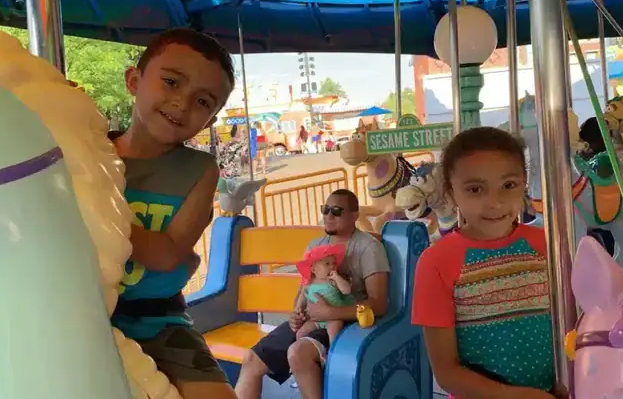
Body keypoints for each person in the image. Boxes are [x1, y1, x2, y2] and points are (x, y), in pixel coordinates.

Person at [107, 28, 236, 399]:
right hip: (86, 313)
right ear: (134, 81)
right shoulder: (90, 150)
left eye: (203, 101)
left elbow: (168, 254)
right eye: (171, 82)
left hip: (156, 319)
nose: (182, 103)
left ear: (210, 120)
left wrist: (94, 216)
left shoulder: (199, 169)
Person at [411, 127, 564, 399]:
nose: (495, 202)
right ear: (451, 193)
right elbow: (446, 372)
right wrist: (515, 396)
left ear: (524, 183)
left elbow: (571, 325)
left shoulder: (546, 245)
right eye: (475, 189)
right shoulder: (436, 262)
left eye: (508, 185)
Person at [235, 189, 391, 399]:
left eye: (336, 211)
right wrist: (296, 314)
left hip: (348, 322)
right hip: (313, 319)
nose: (328, 216)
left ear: (355, 215)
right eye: (325, 210)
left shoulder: (368, 247)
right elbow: (303, 290)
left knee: (298, 354)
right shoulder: (316, 247)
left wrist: (331, 313)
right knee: (251, 360)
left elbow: (378, 304)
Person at [295, 244, 354, 342]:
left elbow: (347, 291)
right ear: (314, 270)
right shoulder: (310, 283)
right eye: (327, 264)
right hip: (317, 318)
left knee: (333, 332)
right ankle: (302, 344)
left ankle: (332, 350)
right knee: (300, 333)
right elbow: (303, 295)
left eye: (334, 263)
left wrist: (337, 278)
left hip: (334, 316)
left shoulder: (332, 281)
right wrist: (299, 308)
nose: (332, 267)